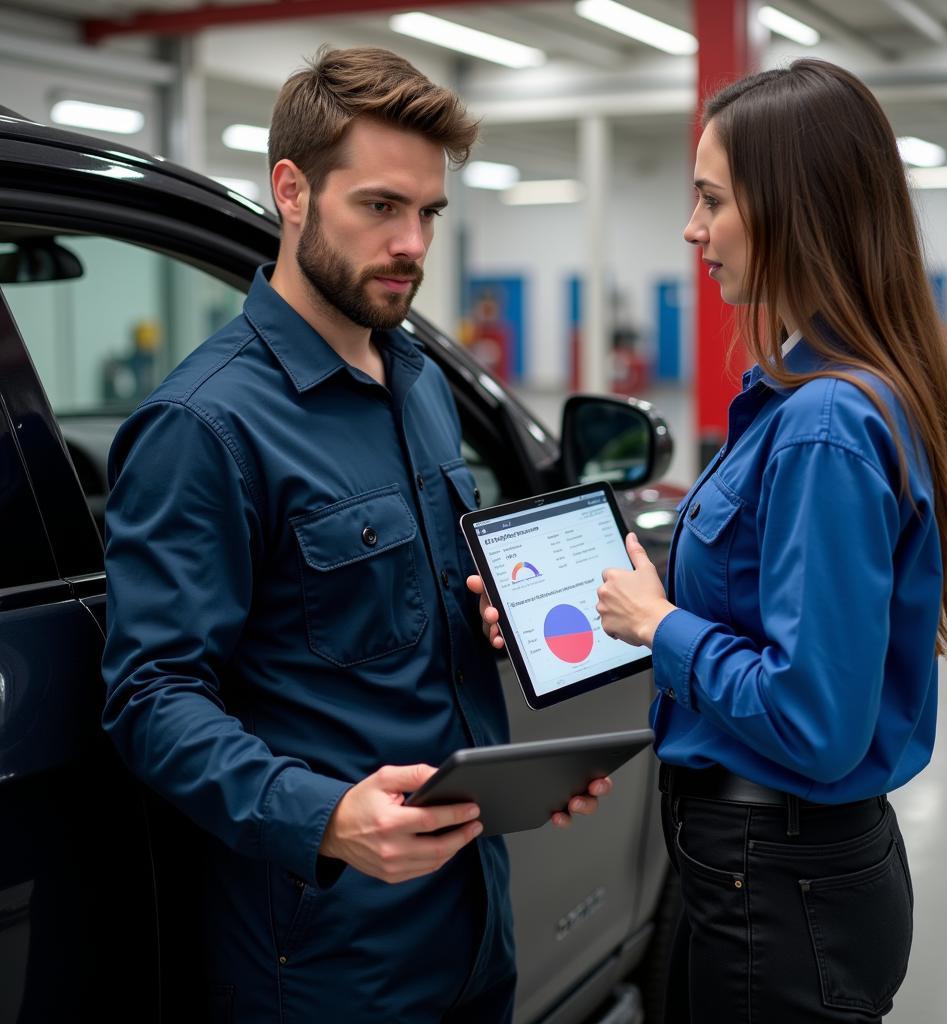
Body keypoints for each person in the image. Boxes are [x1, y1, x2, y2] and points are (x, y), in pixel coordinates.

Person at [101, 46, 606, 1024]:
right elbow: (150, 699)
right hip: (328, 953)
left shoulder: (414, 380)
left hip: (470, 915)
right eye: (380, 206)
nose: (413, 242)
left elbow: (398, 617)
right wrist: (324, 815)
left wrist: (494, 627)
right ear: (291, 191)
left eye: (428, 214)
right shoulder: (205, 426)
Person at [590, 60, 947, 1021]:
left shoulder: (823, 424)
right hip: (772, 869)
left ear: (792, 209)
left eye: (712, 201)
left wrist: (661, 627)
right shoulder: (815, 399)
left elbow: (815, 720)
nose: (693, 230)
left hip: (773, 881)